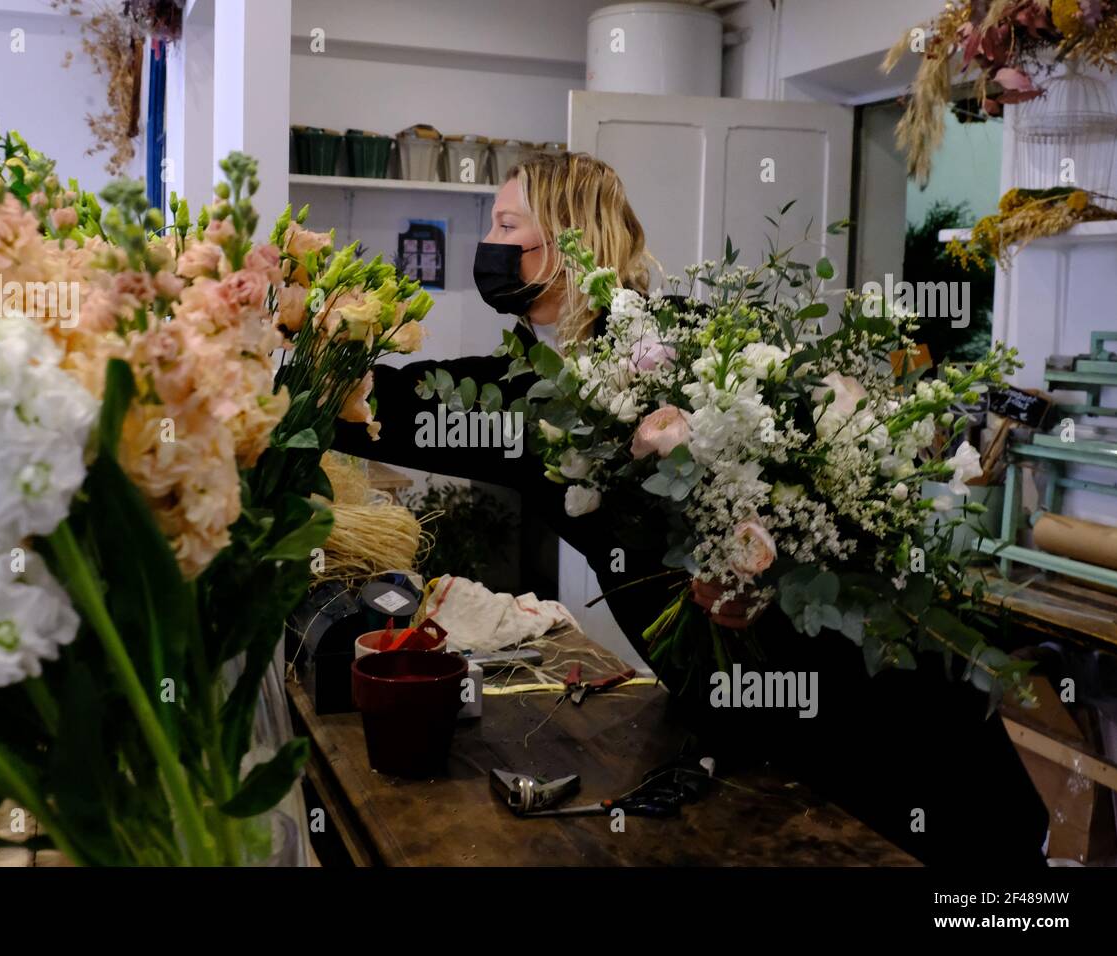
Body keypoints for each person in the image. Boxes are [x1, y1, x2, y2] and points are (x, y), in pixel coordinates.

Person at [333, 151, 1047, 866]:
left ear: (570, 236)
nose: (489, 240)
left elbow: (811, 507)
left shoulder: (677, 353)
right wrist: (298, 355)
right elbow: (404, 405)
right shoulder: (540, 383)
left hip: (871, 700)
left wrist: (757, 572)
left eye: (506, 222)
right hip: (761, 716)